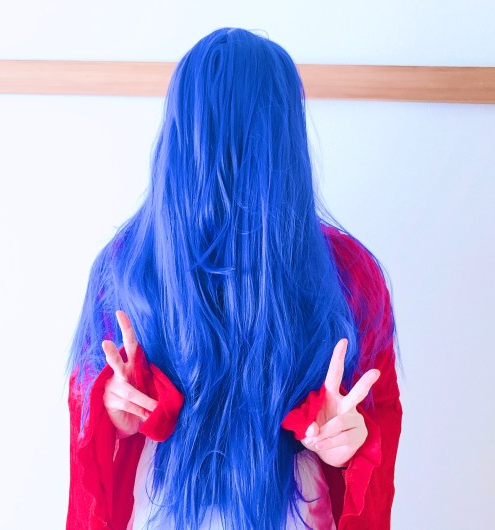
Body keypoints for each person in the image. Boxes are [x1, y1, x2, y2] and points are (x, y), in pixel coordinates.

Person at [65, 27, 403, 530]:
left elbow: (375, 419)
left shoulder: (349, 275)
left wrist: (350, 442)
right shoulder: (127, 269)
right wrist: (113, 408)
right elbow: (93, 438)